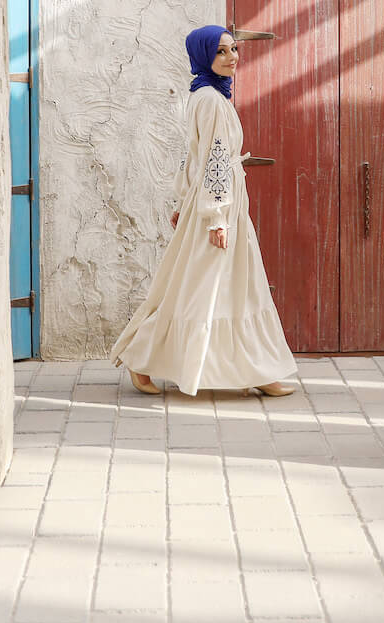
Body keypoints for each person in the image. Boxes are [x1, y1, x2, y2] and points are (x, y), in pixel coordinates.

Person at [110, 25, 298, 398]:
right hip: (220, 208)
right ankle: (141, 356)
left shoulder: (205, 95)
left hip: (220, 204)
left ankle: (255, 369)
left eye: (233, 50)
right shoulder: (210, 99)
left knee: (237, 287)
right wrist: (214, 217)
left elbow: (194, 157)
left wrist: (189, 202)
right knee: (201, 289)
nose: (232, 58)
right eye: (221, 52)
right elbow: (211, 159)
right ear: (204, 57)